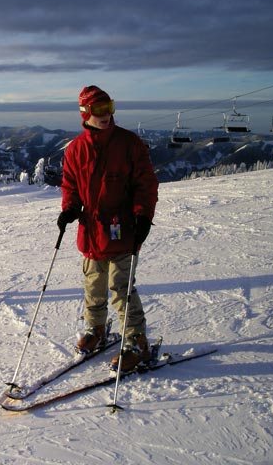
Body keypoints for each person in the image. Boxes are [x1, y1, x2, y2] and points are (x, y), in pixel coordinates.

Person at [58, 85, 159, 372]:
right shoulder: (76, 149)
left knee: (120, 288)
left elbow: (146, 184)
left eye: (110, 108)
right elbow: (71, 186)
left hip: (124, 230)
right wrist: (69, 208)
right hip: (91, 232)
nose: (106, 115)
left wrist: (143, 217)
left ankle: (136, 342)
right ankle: (96, 329)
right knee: (93, 285)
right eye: (100, 110)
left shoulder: (129, 144)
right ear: (86, 113)